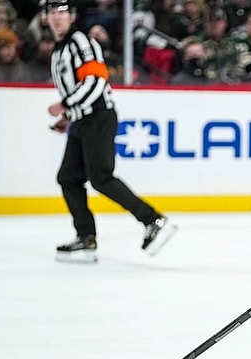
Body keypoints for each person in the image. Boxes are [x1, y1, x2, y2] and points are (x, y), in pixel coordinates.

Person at [44, 0, 177, 263]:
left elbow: (95, 80)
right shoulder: (60, 50)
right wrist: (69, 115)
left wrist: (66, 104)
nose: (56, 18)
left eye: (62, 12)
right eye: (51, 12)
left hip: (98, 117)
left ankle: (153, 220)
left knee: (101, 177)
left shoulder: (81, 42)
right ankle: (86, 237)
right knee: (68, 177)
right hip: (83, 120)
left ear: (72, 16)